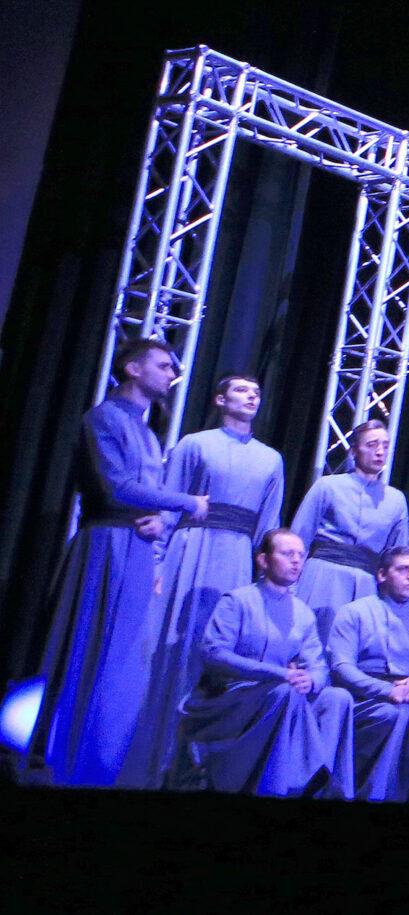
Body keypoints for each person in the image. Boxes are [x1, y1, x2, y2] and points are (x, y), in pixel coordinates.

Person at [26, 336, 203, 786]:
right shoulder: (104, 418)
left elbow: (146, 496)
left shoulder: (147, 432)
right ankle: (62, 760)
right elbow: (116, 487)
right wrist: (185, 502)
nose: (171, 374)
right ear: (133, 369)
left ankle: (101, 762)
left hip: (136, 550)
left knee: (125, 662)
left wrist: (160, 522)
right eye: (163, 365)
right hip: (104, 548)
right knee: (90, 650)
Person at [121, 374, 287, 789]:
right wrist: (157, 564)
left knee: (219, 655)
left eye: (257, 393)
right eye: (242, 391)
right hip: (191, 553)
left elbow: (268, 528)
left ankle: (197, 766)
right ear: (220, 400)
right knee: (171, 649)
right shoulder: (194, 444)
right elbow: (168, 506)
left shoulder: (271, 459)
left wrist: (267, 583)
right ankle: (150, 760)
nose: (251, 397)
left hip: (236, 560)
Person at [169, 530, 354, 796]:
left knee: (338, 698)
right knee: (285, 692)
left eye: (300, 555)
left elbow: (319, 668)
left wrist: (310, 679)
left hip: (277, 696)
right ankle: (274, 788)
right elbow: (214, 654)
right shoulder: (237, 601)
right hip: (229, 697)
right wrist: (279, 674)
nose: (296, 561)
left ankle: (327, 791)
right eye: (287, 554)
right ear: (263, 560)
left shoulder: (303, 613)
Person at [327, 545, 409, 803]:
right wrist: (388, 691)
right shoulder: (354, 612)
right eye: (403, 570)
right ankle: (380, 795)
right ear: (382, 575)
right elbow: (341, 668)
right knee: (397, 712)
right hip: (366, 697)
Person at [288, 418, 409, 643]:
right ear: (354, 451)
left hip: (366, 584)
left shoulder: (396, 500)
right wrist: (287, 586)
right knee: (310, 644)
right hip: (323, 576)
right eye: (372, 444)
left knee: (350, 648)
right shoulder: (328, 486)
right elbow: (299, 538)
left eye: (385, 445)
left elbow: (397, 556)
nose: (380, 451)